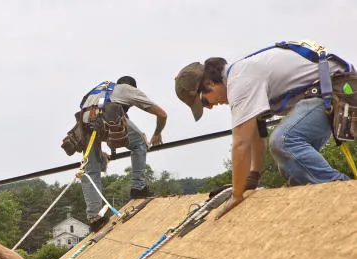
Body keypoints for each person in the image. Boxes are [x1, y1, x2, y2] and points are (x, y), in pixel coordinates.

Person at [174, 40, 354, 219]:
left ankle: (347, 195)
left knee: (284, 142)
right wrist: (253, 177)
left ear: (210, 84)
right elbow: (256, 135)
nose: (211, 107)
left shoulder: (239, 83)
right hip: (326, 91)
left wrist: (237, 194)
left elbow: (241, 144)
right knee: (295, 167)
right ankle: (322, 208)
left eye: (205, 102)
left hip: (338, 90)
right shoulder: (242, 75)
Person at [78, 76, 169, 232]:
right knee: (140, 143)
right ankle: (138, 188)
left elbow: (92, 120)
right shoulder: (128, 90)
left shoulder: (96, 91)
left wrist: (99, 152)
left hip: (84, 125)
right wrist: (156, 134)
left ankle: (94, 218)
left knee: (90, 170)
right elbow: (162, 114)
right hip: (106, 119)